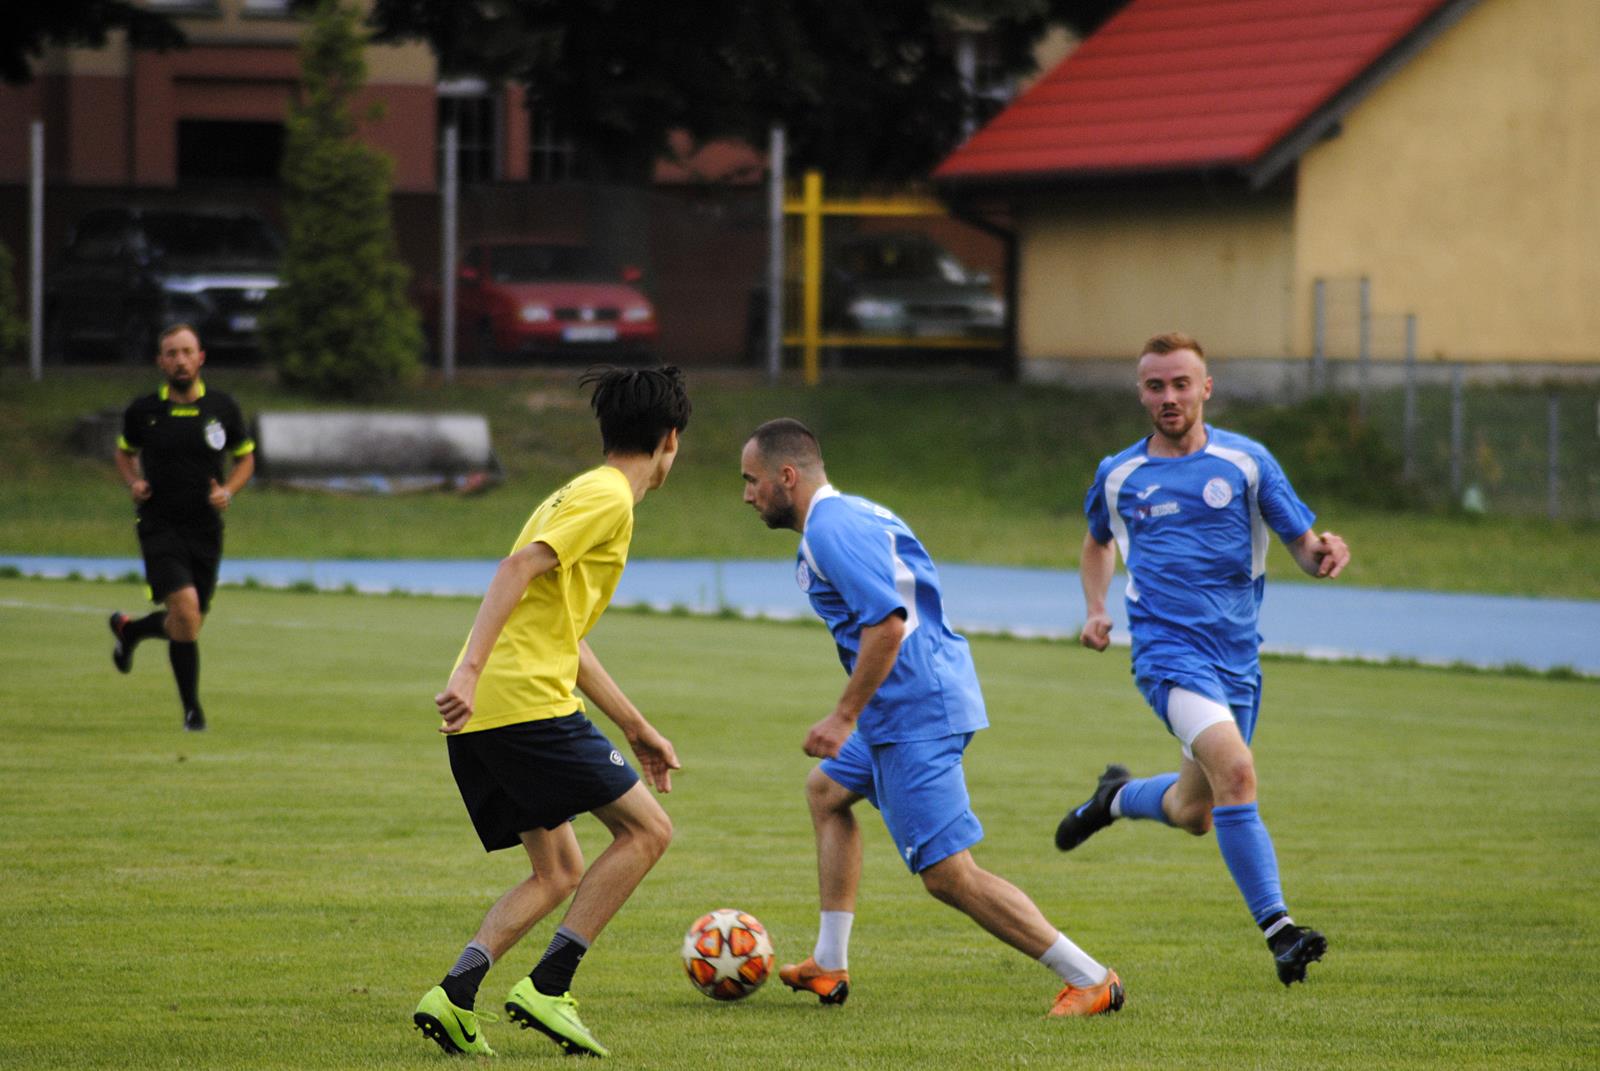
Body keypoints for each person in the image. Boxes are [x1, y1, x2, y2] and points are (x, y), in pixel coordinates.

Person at [739, 418, 1124, 1019]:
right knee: (826, 793)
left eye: (752, 480)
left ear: (787, 476)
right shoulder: (858, 513)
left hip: (913, 707)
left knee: (948, 875)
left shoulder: (831, 531)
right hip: (924, 691)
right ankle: (828, 963)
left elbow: (888, 623)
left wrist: (844, 716)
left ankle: (1091, 978)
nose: (747, 494)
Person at [1054, 332, 1350, 986]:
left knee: (1197, 810)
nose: (1169, 396)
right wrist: (1096, 607)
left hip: (1237, 661)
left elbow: (1301, 545)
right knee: (1237, 772)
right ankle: (1281, 932)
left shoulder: (1248, 462)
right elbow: (1097, 543)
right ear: (1141, 393)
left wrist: (1323, 554)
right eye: (1156, 385)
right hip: (1167, 653)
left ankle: (1114, 798)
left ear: (1206, 387)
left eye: (1181, 383)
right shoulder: (1121, 473)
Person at [413, 366, 690, 1059]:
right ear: (669, 440)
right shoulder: (609, 499)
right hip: (520, 704)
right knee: (648, 830)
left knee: (559, 868)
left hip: (494, 711)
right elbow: (513, 570)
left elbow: (564, 633)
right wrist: (470, 671)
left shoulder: (579, 491)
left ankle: (453, 994)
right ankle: (550, 984)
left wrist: (635, 723)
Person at [108, 323, 255, 732]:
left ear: (201, 357)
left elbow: (246, 459)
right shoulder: (144, 411)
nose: (180, 360)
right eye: (171, 353)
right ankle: (193, 712)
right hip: (159, 526)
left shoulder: (222, 409)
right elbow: (124, 453)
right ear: (160, 361)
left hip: (205, 530)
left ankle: (131, 629)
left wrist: (228, 491)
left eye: (187, 351)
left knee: (186, 623)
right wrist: (133, 482)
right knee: (186, 611)